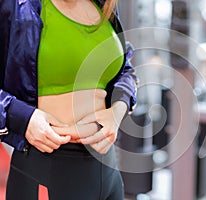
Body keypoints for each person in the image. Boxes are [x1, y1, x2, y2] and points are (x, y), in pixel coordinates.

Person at [0, 0, 137, 199]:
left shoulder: (103, 4)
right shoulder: (15, 6)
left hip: (106, 169)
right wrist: (23, 117)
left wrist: (117, 111)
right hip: (48, 168)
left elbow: (125, 68)